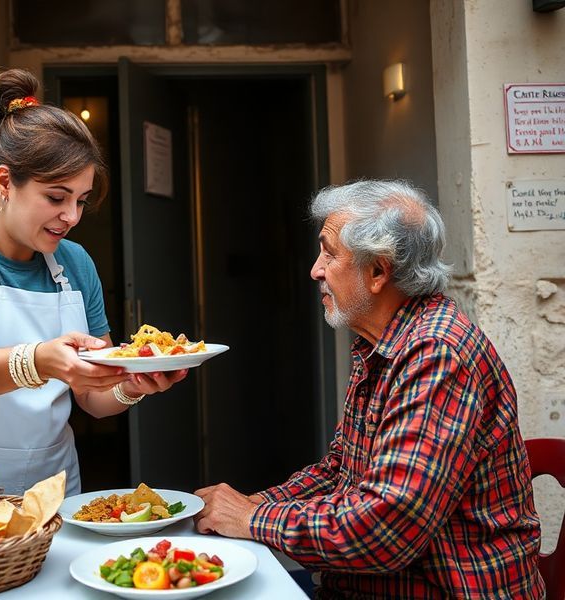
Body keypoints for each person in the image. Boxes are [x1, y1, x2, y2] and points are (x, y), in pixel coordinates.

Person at [193, 180, 544, 598]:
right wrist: (246, 506)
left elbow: (387, 528)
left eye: (329, 252)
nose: (315, 269)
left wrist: (252, 519)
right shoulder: (383, 343)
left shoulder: (437, 354)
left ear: (378, 272)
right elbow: (339, 471)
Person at [0, 69, 187, 505]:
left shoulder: (75, 263)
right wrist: (40, 360)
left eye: (81, 200)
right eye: (56, 197)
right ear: (6, 183)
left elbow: (92, 397)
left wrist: (131, 385)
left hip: (48, 492)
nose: (72, 216)